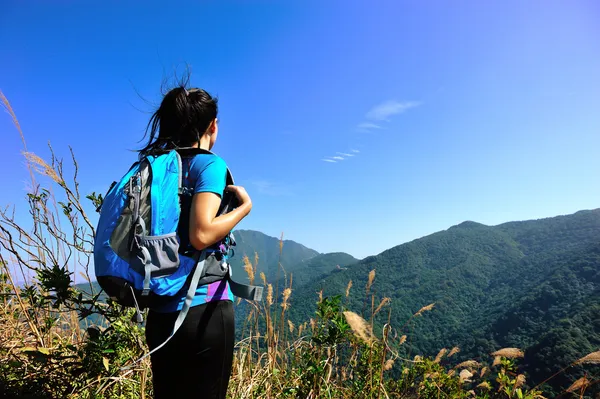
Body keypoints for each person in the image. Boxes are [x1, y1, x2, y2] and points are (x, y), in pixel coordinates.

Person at [139, 84, 252, 399]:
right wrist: (244, 209)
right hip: (204, 309)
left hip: (160, 312)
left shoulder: (154, 167)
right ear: (211, 126)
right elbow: (201, 234)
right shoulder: (209, 164)